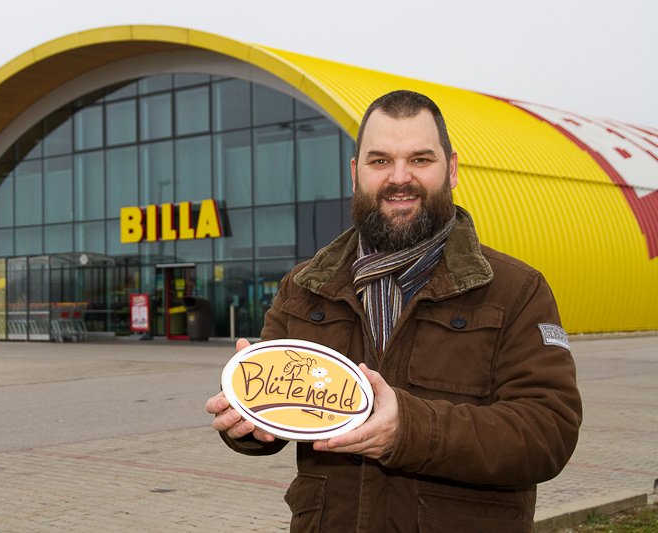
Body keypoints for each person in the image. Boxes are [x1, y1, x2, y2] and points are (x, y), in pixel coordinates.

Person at [205, 90, 582, 532]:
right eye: (380, 161)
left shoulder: (514, 289)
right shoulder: (304, 287)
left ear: (452, 169)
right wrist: (248, 423)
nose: (399, 178)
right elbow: (278, 417)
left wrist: (411, 430)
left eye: (420, 160)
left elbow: (547, 432)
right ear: (355, 173)